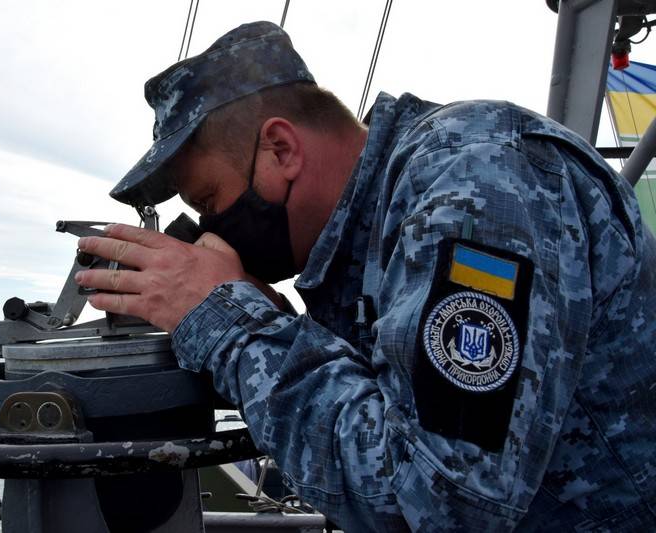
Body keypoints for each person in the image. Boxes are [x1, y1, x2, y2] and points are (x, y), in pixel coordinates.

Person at [74, 21, 656, 531]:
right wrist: (257, 315)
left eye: (208, 199)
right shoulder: (379, 229)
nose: (207, 228)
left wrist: (227, 322)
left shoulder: (473, 181)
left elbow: (437, 503)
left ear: (280, 149)